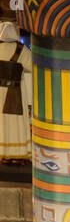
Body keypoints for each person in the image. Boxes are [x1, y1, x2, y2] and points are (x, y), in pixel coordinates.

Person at [0, 20, 31, 165]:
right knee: (16, 124)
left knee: (2, 124)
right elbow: (32, 65)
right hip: (16, 92)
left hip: (0, 93)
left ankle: (3, 154)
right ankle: (17, 154)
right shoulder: (21, 50)